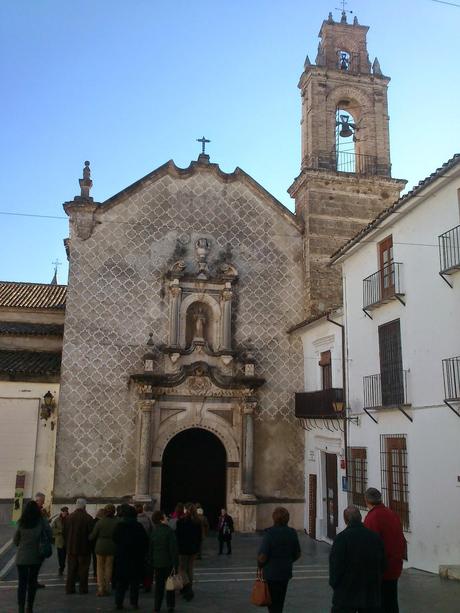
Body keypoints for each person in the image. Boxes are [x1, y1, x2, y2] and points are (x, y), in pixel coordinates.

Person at [329, 505, 386, 613]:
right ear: (360, 518)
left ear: (346, 520)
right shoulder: (374, 537)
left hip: (346, 592)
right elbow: (382, 563)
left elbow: (336, 566)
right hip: (370, 591)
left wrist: (335, 584)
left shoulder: (341, 538)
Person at [364, 488, 406, 613]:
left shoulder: (371, 518)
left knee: (378, 604)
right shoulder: (392, 514)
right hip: (395, 565)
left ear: (366, 501)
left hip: (380, 570)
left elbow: (370, 545)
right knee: (392, 602)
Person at [257, 507, 301, 613]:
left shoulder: (270, 534)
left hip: (271, 573)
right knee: (280, 601)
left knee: (271, 603)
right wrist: (288, 561)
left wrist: (260, 565)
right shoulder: (292, 533)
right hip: (285, 572)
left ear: (274, 518)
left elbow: (263, 556)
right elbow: (298, 554)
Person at [14, 500, 52, 613]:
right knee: (32, 583)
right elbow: (49, 534)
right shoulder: (41, 521)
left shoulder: (22, 522)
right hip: (36, 557)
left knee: (22, 584)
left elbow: (16, 540)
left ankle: (20, 608)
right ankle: (29, 607)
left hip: (21, 558)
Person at [113, 504, 149, 610]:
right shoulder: (139, 527)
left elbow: (115, 538)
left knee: (121, 583)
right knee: (135, 584)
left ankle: (119, 602)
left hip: (122, 558)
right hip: (136, 559)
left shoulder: (120, 526)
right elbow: (145, 542)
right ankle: (134, 603)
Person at [150, 510, 179, 613]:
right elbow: (173, 550)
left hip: (158, 563)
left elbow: (151, 549)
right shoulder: (169, 532)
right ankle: (170, 606)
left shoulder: (154, 532)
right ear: (161, 519)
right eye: (165, 517)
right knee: (170, 586)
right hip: (168, 564)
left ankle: (156, 607)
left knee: (159, 586)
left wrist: (151, 562)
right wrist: (176, 564)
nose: (167, 518)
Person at [64, 498, 94, 595]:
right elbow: (91, 534)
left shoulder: (69, 518)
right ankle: (83, 588)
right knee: (83, 569)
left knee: (71, 569)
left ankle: (70, 588)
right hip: (84, 548)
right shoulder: (88, 518)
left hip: (71, 548)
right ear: (84, 506)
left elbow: (65, 533)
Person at [89, 504, 119, 597]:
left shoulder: (100, 522)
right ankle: (107, 587)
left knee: (100, 568)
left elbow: (93, 536)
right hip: (112, 546)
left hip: (100, 546)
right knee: (109, 568)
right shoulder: (117, 522)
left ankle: (101, 588)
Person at [176, 502, 202, 601]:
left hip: (183, 549)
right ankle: (188, 588)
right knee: (190, 569)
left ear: (185, 510)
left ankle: (187, 588)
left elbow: (178, 536)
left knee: (182, 569)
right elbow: (199, 538)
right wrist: (197, 548)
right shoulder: (197, 522)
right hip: (193, 549)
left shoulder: (180, 522)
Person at [34, 492, 49, 589]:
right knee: (35, 564)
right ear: (37, 500)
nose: (43, 504)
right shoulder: (35, 512)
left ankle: (33, 581)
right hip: (36, 543)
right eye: (42, 502)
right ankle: (32, 582)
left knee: (36, 565)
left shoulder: (39, 511)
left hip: (37, 543)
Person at [51, 506, 69, 576]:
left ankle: (71, 570)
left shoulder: (70, 519)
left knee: (69, 557)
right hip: (60, 541)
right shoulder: (57, 520)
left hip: (68, 541)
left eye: (66, 511)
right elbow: (52, 529)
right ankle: (61, 568)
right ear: (61, 512)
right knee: (61, 556)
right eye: (63, 511)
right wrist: (60, 531)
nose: (65, 513)